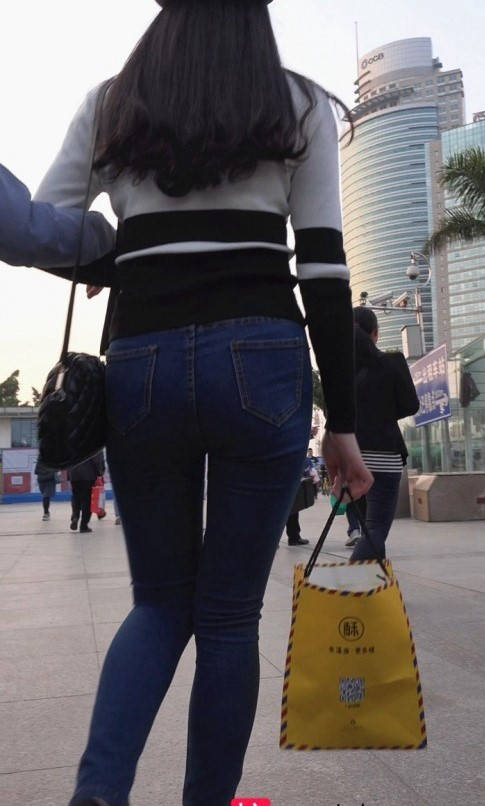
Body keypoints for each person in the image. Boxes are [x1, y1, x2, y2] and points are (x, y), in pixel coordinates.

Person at [1, 2, 373, 803]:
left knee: (160, 604)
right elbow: (323, 269)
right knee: (230, 617)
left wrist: (127, 256)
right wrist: (341, 424)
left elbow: (42, 228)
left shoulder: (113, 104)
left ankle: (97, 794)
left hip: (144, 358)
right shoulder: (297, 101)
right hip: (262, 359)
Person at [347, 306, 419, 560]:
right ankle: (351, 581)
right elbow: (411, 405)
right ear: (375, 333)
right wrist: (384, 413)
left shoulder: (343, 370)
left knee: (368, 527)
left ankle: (375, 582)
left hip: (353, 457)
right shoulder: (392, 362)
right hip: (385, 455)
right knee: (376, 528)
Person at [68, 452, 105, 534]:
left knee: (76, 496)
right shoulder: (94, 444)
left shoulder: (71, 443)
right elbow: (97, 459)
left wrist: (69, 473)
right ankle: (83, 525)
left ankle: (75, 516)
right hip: (88, 474)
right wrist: (100, 472)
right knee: (87, 500)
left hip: (73, 473)